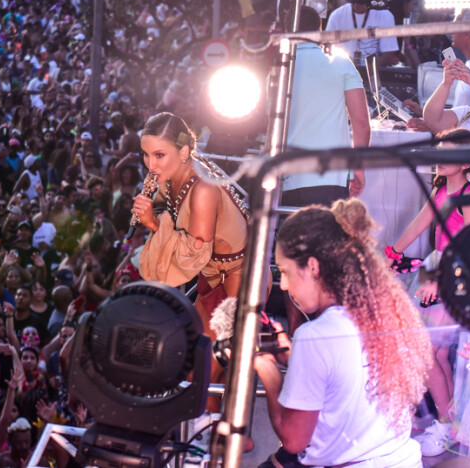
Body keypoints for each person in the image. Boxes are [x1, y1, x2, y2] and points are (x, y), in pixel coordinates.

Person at [254, 200, 432, 467]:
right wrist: (293, 358)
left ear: (313, 267)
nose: (284, 286)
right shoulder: (385, 314)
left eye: (286, 273)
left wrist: (266, 368)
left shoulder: (316, 335)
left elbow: (294, 440)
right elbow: (348, 376)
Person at [385, 128, 470, 457]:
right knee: (435, 353)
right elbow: (419, 223)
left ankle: (444, 423)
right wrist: (392, 255)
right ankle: (445, 420)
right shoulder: (442, 188)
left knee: (427, 352)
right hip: (436, 267)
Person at [134, 112, 248, 403]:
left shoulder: (204, 188)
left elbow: (192, 254)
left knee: (203, 375)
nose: (151, 164)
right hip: (210, 282)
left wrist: (152, 224)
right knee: (197, 367)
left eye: (160, 155)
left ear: (183, 151)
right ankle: (216, 440)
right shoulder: (171, 176)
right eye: (146, 155)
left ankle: (220, 440)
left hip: (238, 283)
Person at [282, 6, 371, 205]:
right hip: (330, 175)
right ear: (319, 30)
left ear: (287, 31)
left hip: (285, 176)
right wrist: (358, 167)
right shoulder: (341, 62)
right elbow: (361, 121)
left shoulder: (278, 69)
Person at [325, 0, 400, 67]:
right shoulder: (336, 15)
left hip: (374, 70)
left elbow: (388, 52)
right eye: (353, 2)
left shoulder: (385, 15)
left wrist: (370, 72)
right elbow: (327, 47)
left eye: (360, 3)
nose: (356, 6)